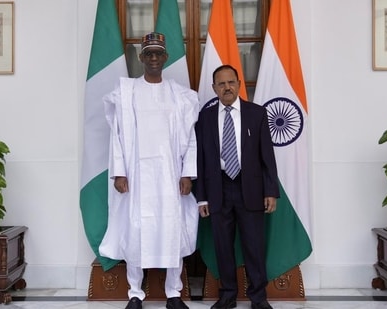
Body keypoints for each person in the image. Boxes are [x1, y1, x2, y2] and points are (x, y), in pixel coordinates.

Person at [98, 32, 199, 309]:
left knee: (171, 228)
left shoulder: (180, 96)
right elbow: (117, 135)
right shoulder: (127, 92)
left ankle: (174, 294)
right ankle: (134, 293)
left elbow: (190, 138)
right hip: (137, 176)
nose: (154, 58)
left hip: (170, 175)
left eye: (158, 54)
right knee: (135, 230)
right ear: (141, 58)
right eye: (149, 54)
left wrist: (187, 173)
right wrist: (120, 172)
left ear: (165, 58)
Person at [195, 64, 280, 309]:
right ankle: (228, 295)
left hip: (250, 189)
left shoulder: (256, 113)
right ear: (214, 89)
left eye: (231, 82)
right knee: (223, 246)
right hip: (218, 189)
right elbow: (200, 158)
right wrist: (202, 198)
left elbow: (267, 156)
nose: (227, 87)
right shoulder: (206, 117)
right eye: (221, 84)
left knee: (253, 245)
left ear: (239, 84)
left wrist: (270, 191)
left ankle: (258, 297)